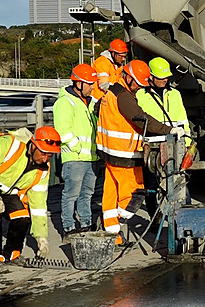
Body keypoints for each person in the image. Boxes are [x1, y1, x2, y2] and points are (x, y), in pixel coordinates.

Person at [97, 60, 184, 245]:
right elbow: (141, 119)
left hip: (109, 152)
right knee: (134, 194)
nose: (138, 88)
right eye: (136, 83)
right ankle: (119, 222)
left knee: (110, 194)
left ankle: (113, 234)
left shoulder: (111, 92)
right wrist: (167, 130)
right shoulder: (124, 96)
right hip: (124, 155)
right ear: (128, 77)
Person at [136, 57, 192, 221]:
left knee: (179, 183)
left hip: (174, 146)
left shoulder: (175, 95)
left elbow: (183, 121)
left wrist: (187, 144)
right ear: (151, 77)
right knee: (151, 186)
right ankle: (155, 217)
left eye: (166, 77)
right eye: (161, 77)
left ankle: (183, 218)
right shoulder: (140, 95)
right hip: (151, 148)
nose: (165, 80)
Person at [0, 127, 60, 262]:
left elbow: (39, 206)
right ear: (33, 146)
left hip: (7, 193)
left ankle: (12, 254)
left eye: (50, 155)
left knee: (22, 217)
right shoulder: (9, 145)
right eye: (43, 153)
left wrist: (41, 237)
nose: (45, 159)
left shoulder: (42, 171)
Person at [53, 64, 100, 238]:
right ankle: (68, 227)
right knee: (71, 194)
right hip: (75, 157)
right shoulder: (65, 102)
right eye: (89, 83)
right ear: (78, 83)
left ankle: (86, 224)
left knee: (87, 194)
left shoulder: (91, 102)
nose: (92, 87)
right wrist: (77, 147)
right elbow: (63, 130)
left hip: (91, 156)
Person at [91, 39, 128, 104]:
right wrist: (120, 93)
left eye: (124, 56)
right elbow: (104, 85)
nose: (123, 59)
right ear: (113, 53)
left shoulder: (118, 65)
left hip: (108, 98)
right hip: (97, 99)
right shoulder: (102, 62)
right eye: (121, 56)